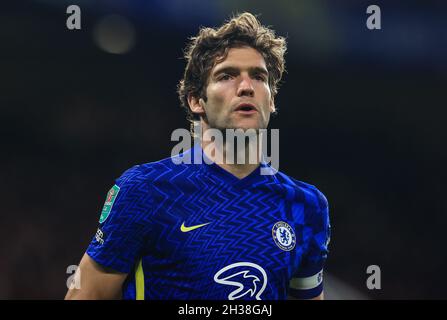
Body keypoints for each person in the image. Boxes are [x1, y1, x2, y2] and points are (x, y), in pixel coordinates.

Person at [65, 12, 331, 300]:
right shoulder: (145, 190)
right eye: (226, 75)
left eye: (258, 76)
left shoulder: (307, 205)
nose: (245, 87)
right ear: (196, 100)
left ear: (271, 99)